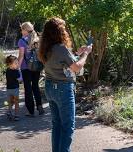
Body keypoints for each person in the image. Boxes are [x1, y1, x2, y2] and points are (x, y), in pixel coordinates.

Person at [38, 17, 92, 152]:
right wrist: (85, 54)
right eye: (63, 29)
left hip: (50, 87)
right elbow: (77, 68)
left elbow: (61, 61)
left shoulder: (46, 48)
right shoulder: (61, 48)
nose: (66, 31)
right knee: (67, 127)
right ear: (58, 32)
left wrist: (76, 53)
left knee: (57, 125)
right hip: (63, 90)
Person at [18, 22, 44, 116]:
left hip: (26, 68)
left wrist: (17, 67)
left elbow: (21, 56)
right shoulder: (37, 39)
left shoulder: (21, 41)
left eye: (22, 29)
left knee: (28, 88)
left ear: (25, 30)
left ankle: (31, 111)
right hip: (36, 67)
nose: (21, 31)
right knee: (35, 86)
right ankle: (40, 106)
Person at [5, 55, 21, 121]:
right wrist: (19, 73)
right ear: (10, 64)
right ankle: (16, 115)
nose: (17, 65)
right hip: (15, 89)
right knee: (16, 102)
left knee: (11, 102)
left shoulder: (7, 70)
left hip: (9, 89)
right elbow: (19, 80)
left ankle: (9, 112)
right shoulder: (16, 72)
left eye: (17, 63)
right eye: (16, 63)